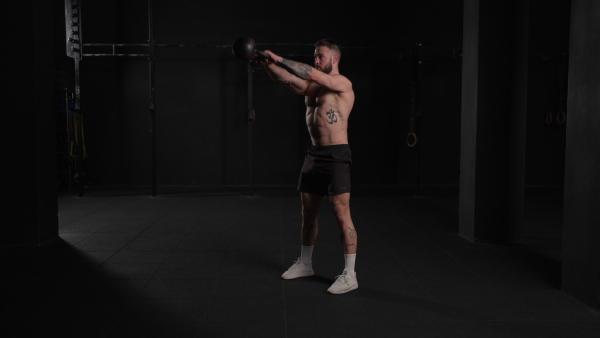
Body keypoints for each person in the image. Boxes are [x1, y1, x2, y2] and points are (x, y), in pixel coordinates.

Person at [254, 39, 358, 294]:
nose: (315, 60)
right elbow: (287, 80)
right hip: (314, 154)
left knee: (341, 214)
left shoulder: (342, 84)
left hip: (336, 155)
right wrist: (267, 64)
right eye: (314, 56)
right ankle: (306, 264)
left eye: (320, 56)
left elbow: (307, 72)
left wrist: (278, 58)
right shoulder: (312, 88)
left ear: (334, 59)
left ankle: (350, 274)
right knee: (307, 213)